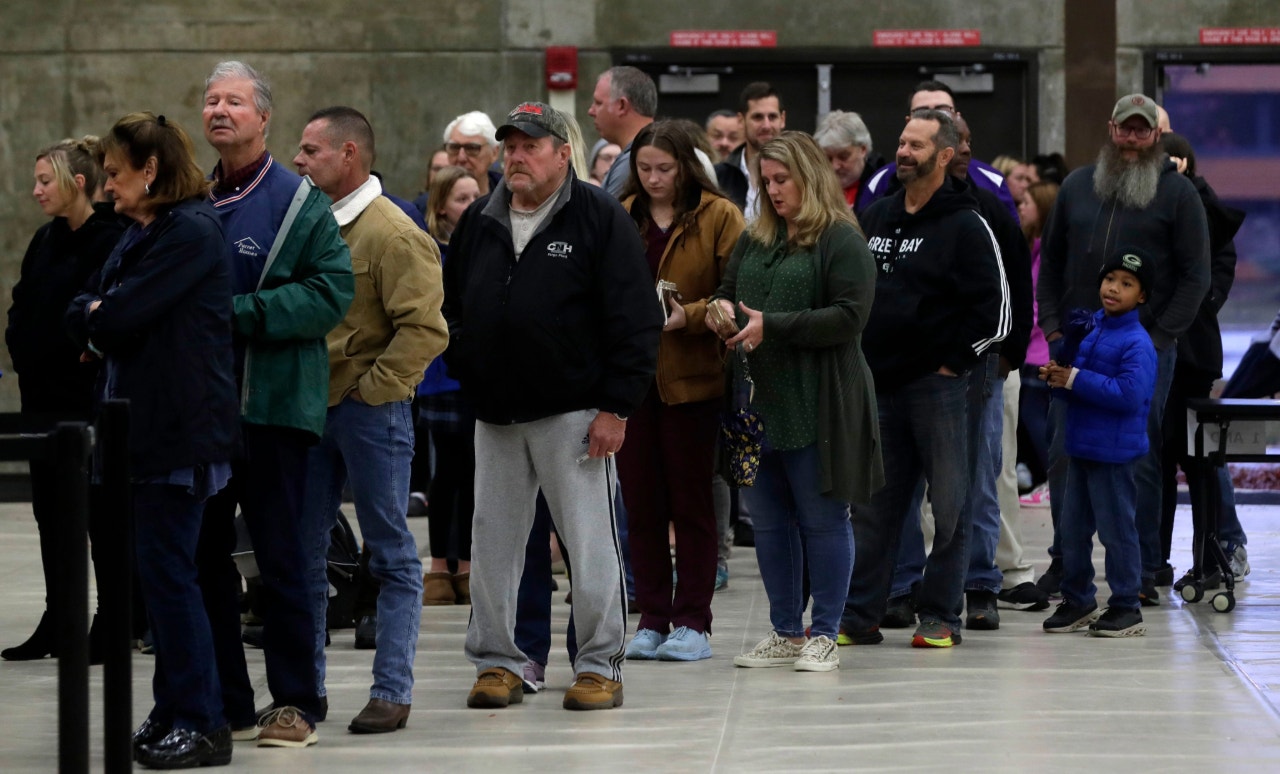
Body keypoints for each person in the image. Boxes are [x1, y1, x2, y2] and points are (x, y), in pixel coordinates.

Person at [444, 102, 661, 711]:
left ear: (563, 154)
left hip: (575, 414)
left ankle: (598, 666)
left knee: (591, 546)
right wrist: (466, 357)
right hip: (496, 414)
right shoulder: (482, 219)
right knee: (494, 547)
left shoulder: (597, 217)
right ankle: (498, 662)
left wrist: (617, 406)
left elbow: (636, 319)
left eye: (530, 146)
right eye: (509, 145)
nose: (516, 156)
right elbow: (452, 302)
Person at [67, 111, 240, 769]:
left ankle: (201, 721)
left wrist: (100, 318)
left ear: (150, 170)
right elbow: (84, 307)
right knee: (158, 578)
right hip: (139, 430)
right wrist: (97, 317)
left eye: (114, 174)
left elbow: (121, 315)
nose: (107, 187)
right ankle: (173, 710)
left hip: (179, 434)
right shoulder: (142, 232)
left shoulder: (191, 232)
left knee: (171, 578)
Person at [197, 60, 353, 748]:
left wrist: (239, 314)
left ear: (264, 118)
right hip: (202, 415)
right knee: (202, 559)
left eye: (234, 101)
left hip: (275, 411)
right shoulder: (192, 200)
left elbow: (330, 294)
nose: (219, 111)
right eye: (210, 101)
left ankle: (295, 702)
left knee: (284, 560)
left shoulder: (298, 201)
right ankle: (224, 699)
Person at [292, 106, 447, 733]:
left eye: (310, 150)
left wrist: (372, 392)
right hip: (308, 410)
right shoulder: (307, 223)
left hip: (368, 414)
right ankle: (304, 692)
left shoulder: (393, 232)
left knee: (390, 552)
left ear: (348, 154)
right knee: (301, 553)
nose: (298, 161)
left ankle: (392, 690)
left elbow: (426, 329)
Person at [711, 132, 882, 672]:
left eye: (783, 180)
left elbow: (850, 317)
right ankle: (785, 630)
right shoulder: (757, 237)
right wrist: (718, 310)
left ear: (810, 178)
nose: (773, 190)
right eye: (766, 181)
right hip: (758, 402)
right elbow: (729, 288)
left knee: (824, 519)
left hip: (821, 399)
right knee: (768, 521)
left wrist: (773, 327)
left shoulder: (840, 239)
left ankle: (825, 633)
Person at [844, 110, 1009, 649]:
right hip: (881, 387)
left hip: (942, 388)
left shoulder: (968, 223)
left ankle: (940, 615)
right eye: (901, 140)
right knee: (873, 508)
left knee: (951, 507)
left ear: (944, 155)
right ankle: (860, 615)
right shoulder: (877, 215)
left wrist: (953, 362)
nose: (904, 151)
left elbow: (996, 313)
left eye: (916, 144)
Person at [1036, 94, 1210, 604]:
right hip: (1075, 346)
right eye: (1124, 130)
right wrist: (1051, 328)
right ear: (1111, 130)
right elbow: (1050, 266)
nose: (1132, 140)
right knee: (1064, 453)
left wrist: (1157, 339)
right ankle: (1066, 569)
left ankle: (1143, 572)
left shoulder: (1177, 195)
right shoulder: (1075, 188)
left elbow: (1196, 277)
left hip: (1141, 349)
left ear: (1156, 135)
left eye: (1142, 131)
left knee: (1137, 456)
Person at [615, 121, 745, 662]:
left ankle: (693, 621)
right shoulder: (623, 213)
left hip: (694, 381)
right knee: (641, 504)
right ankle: (651, 617)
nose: (653, 179)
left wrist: (684, 316)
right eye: (644, 169)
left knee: (691, 503)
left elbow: (735, 296)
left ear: (687, 166)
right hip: (632, 381)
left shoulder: (719, 216)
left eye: (664, 169)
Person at [4, 136, 124, 663]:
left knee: (99, 515)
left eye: (45, 181)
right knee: (49, 513)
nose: (36, 191)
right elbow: (23, 304)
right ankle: (60, 616)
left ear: (78, 184)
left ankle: (113, 616)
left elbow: (107, 313)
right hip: (42, 400)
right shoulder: (44, 239)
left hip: (88, 402)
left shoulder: (111, 238)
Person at [1040, 250, 1156, 638]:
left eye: (1126, 284)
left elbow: (1128, 394)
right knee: (1071, 529)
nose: (1113, 288)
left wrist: (1073, 379)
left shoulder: (1138, 343)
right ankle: (1078, 599)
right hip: (1082, 444)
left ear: (1141, 296)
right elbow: (1077, 382)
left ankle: (1126, 605)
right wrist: (1058, 375)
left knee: (1117, 531)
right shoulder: (1092, 328)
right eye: (1110, 280)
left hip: (1114, 453)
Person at [1154, 132, 1249, 590]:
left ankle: (1211, 561)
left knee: (1203, 464)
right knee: (1155, 464)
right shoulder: (1144, 204)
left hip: (1194, 354)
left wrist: (1191, 183)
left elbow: (1221, 246)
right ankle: (1154, 561)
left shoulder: (1202, 204)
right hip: (1152, 352)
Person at [417, 165, 481, 604]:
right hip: (442, 373)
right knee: (447, 473)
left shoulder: (483, 242)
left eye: (476, 195)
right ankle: (441, 565)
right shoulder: (430, 249)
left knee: (475, 472)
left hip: (478, 371)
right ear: (441, 206)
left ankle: (470, 563)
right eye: (461, 198)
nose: (471, 204)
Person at [860, 81, 1018, 221]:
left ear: (957, 117)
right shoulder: (880, 181)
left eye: (942, 112)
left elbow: (1012, 247)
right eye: (922, 113)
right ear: (908, 121)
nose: (933, 119)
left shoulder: (991, 180)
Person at [1016, 180, 1061, 506]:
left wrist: (1022, 333)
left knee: (1036, 419)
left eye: (1027, 202)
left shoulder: (1047, 251)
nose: (1020, 207)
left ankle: (1053, 479)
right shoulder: (1035, 247)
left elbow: (1036, 304)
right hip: (1034, 348)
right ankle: (1050, 478)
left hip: (1038, 349)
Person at [715, 82, 786, 217]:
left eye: (772, 117)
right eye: (758, 117)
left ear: (782, 119)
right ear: (741, 120)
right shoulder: (719, 177)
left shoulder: (800, 174)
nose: (766, 125)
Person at [589, 66, 658, 197]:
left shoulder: (634, 161)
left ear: (622, 106)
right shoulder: (642, 153)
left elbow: (608, 217)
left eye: (598, 103)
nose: (591, 111)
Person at [813, 109, 886, 215]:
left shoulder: (883, 187)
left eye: (843, 157)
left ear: (863, 149)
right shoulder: (811, 188)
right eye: (828, 159)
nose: (835, 166)